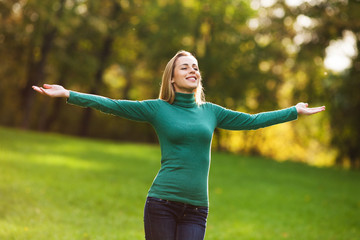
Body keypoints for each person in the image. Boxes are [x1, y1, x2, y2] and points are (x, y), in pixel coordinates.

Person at [32, 50, 325, 240]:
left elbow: (252, 121)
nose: (193, 70)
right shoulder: (157, 109)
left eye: (195, 67)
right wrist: (68, 93)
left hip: (197, 209)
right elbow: (113, 105)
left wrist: (293, 111)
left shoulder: (212, 112)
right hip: (162, 204)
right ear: (171, 78)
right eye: (185, 67)